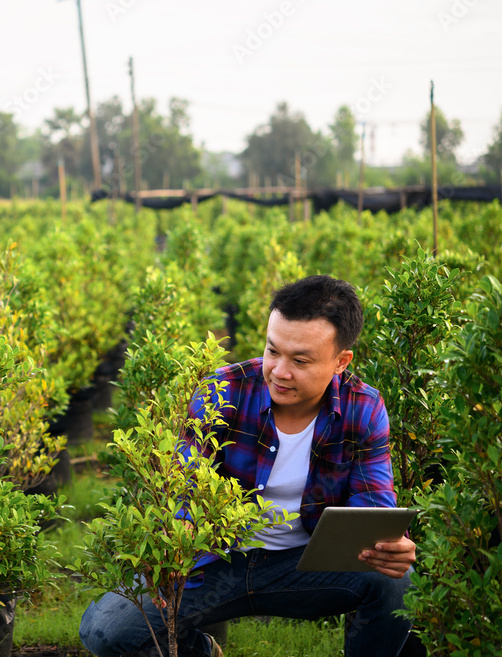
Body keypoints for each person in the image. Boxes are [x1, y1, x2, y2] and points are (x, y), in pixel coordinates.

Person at [80, 275, 416, 657]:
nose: (279, 371)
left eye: (300, 360)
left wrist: (387, 547)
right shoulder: (224, 389)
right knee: (105, 631)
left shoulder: (363, 406)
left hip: (305, 567)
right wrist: (178, 536)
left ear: (341, 362)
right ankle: (203, 652)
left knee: (398, 581)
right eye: (273, 351)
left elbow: (372, 504)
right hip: (217, 563)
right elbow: (184, 488)